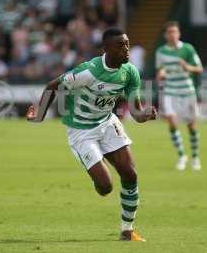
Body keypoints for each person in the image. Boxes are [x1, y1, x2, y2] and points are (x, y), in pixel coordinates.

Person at [26, 27, 156, 241]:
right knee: (105, 187)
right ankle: (95, 161)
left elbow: (136, 111)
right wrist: (39, 115)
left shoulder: (130, 72)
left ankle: (127, 230)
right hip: (81, 131)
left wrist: (145, 114)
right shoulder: (89, 71)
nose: (126, 49)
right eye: (120, 45)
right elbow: (53, 85)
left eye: (127, 44)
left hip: (106, 124)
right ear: (105, 49)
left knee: (130, 174)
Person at [155, 21, 203, 171]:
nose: (172, 34)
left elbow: (199, 68)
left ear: (179, 33)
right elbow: (160, 71)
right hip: (170, 90)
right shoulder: (161, 52)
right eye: (169, 32)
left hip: (187, 90)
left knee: (191, 125)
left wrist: (187, 67)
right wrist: (161, 74)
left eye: (175, 31)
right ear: (165, 35)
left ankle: (195, 157)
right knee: (171, 120)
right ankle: (182, 155)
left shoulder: (188, 49)